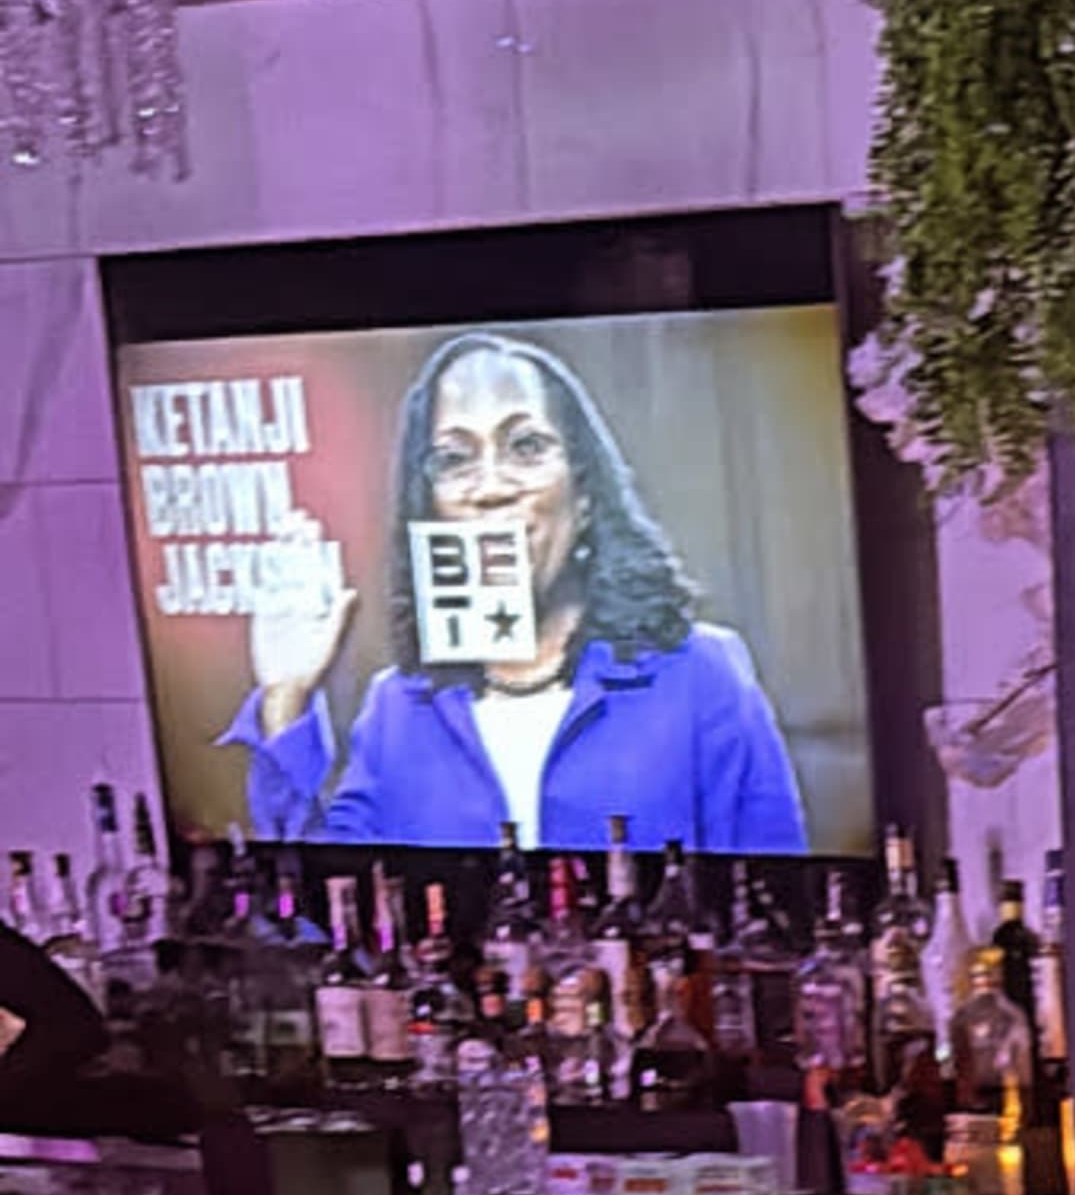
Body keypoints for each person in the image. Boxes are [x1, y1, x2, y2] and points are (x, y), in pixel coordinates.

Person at [229, 329, 810, 855]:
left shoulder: (702, 674)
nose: (489, 488)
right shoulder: (397, 707)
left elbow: (779, 907)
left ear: (584, 497)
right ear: (428, 508)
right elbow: (331, 915)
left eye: (526, 447)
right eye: (454, 459)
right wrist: (286, 698)